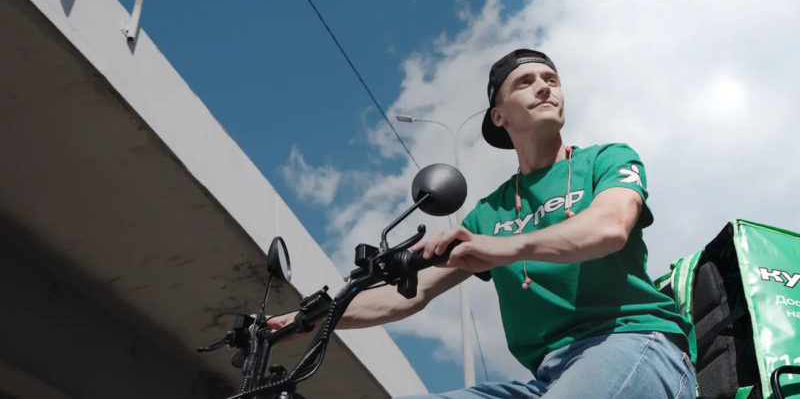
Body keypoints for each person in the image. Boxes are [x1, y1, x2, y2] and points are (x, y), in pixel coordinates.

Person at [269, 49, 696, 398]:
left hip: (634, 341)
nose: (544, 86)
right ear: (499, 116)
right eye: (524, 82)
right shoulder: (489, 214)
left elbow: (610, 227)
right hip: (548, 377)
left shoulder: (607, 159)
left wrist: (505, 247)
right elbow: (411, 294)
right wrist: (308, 320)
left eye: (551, 79)